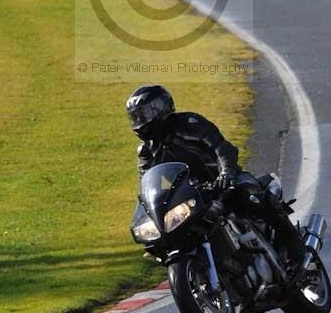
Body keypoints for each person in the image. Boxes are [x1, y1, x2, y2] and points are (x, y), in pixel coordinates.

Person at [126, 84, 305, 271]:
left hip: (224, 181)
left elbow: (222, 148)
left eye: (145, 113)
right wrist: (152, 216)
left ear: (161, 108)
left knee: (249, 193)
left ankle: (294, 243)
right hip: (192, 197)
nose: (141, 120)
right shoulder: (146, 152)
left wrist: (227, 173)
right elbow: (148, 186)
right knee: (172, 236)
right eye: (136, 116)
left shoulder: (190, 124)